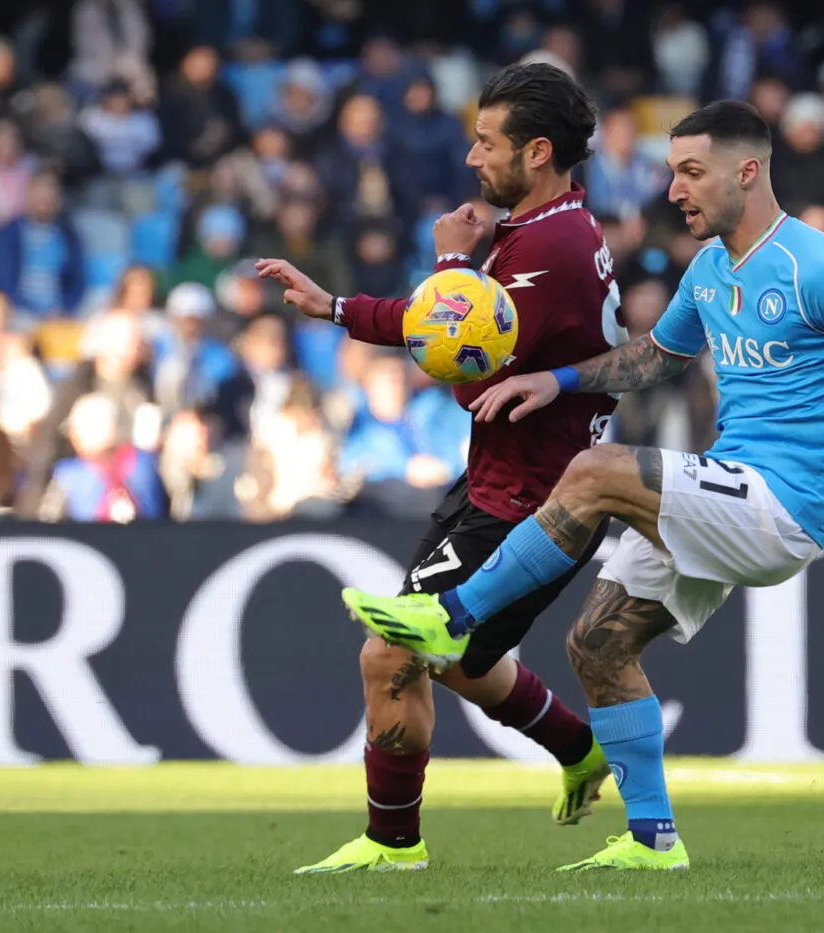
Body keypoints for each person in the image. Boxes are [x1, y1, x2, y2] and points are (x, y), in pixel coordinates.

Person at [345, 101, 824, 871]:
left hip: (783, 501)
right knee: (598, 643)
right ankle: (653, 840)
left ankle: (454, 617)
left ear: (747, 171)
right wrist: (556, 379)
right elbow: (654, 356)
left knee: (594, 471)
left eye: (691, 171)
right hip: (731, 485)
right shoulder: (713, 268)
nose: (674, 189)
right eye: (670, 171)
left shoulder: (814, 263)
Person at [254, 63, 625, 874]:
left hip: (531, 503)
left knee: (393, 651)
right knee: (462, 656)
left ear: (535, 152)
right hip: (509, 483)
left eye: (484, 142)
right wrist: (338, 308)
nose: (469, 158)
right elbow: (448, 330)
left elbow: (462, 363)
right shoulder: (546, 230)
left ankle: (394, 845)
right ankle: (580, 747)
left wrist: (454, 263)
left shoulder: (549, 248)